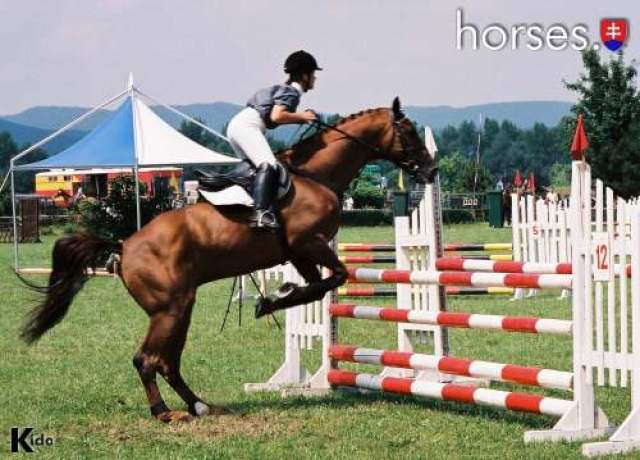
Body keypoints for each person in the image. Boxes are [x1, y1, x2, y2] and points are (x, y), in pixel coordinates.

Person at [226, 50, 322, 230]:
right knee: (269, 166)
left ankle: (241, 203)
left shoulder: (283, 89)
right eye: (313, 74)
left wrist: (300, 117)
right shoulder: (292, 92)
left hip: (238, 125)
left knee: (254, 170)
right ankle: (261, 213)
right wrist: (302, 117)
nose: (315, 78)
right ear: (305, 76)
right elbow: (277, 116)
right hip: (248, 126)